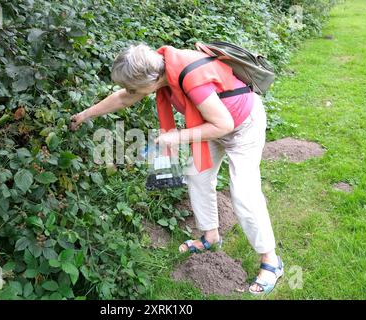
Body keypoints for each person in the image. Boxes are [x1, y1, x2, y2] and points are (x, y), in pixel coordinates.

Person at [70, 43, 284, 295]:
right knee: (198, 177)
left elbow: (224, 124)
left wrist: (177, 136)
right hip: (210, 123)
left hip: (241, 125)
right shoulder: (161, 70)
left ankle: (271, 261)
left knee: (244, 194)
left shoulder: (190, 77)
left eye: (133, 86)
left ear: (150, 80)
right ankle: (210, 237)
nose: (130, 92)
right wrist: (84, 115)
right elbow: (124, 97)